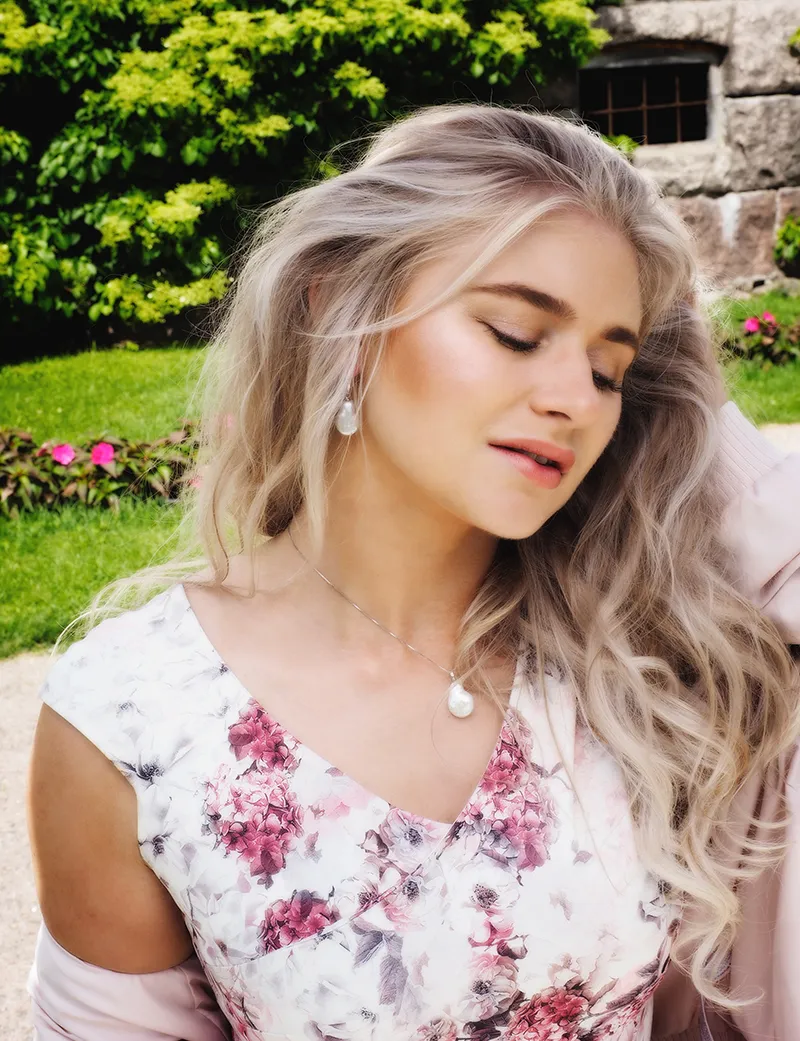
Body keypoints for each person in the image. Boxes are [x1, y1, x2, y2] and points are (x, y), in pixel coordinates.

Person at [26, 104, 800, 1041]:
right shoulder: (133, 720)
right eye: (516, 332)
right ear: (340, 311)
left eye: (609, 371)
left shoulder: (639, 656)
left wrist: (684, 403)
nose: (574, 400)